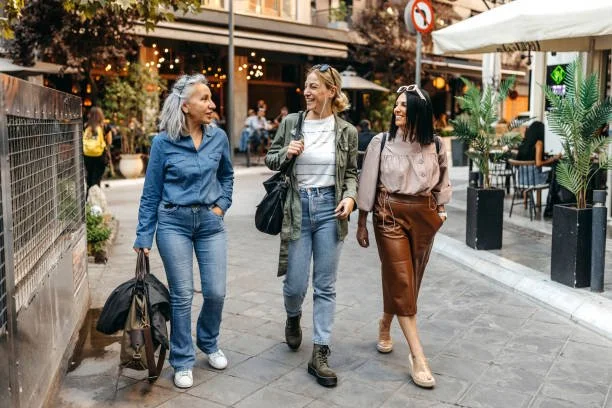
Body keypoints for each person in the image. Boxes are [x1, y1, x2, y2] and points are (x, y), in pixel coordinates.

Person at [133, 74, 234, 389]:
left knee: (216, 291)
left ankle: (208, 340)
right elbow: (151, 193)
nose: (211, 104)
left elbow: (228, 176)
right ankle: (182, 359)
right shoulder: (163, 142)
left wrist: (221, 206)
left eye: (210, 97)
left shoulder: (218, 138)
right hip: (173, 223)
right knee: (182, 295)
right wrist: (143, 237)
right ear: (185, 105)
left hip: (209, 224)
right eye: (204, 98)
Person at [265, 64, 358, 388]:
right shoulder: (293, 123)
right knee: (294, 284)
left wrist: (350, 198)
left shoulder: (346, 131)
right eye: (306, 85)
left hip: (331, 210)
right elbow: (271, 158)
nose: (307, 91)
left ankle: (320, 351)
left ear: (331, 91)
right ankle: (293, 315)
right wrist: (286, 152)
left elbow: (350, 175)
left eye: (314, 86)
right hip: (297, 208)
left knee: (325, 285)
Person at [355, 85, 451, 389]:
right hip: (389, 215)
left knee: (409, 281)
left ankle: (386, 323)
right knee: (402, 278)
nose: (397, 109)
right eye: (396, 105)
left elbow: (443, 180)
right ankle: (418, 358)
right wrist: (362, 220)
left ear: (418, 112)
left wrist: (441, 209)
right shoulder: (380, 143)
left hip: (424, 216)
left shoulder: (435, 144)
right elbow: (368, 181)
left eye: (403, 106)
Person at [83, 107, 112, 194]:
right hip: (100, 156)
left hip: (87, 155)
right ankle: (96, 201)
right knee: (96, 179)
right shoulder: (105, 127)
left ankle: (88, 200)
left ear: (90, 115)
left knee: (90, 178)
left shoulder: (86, 126)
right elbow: (109, 141)